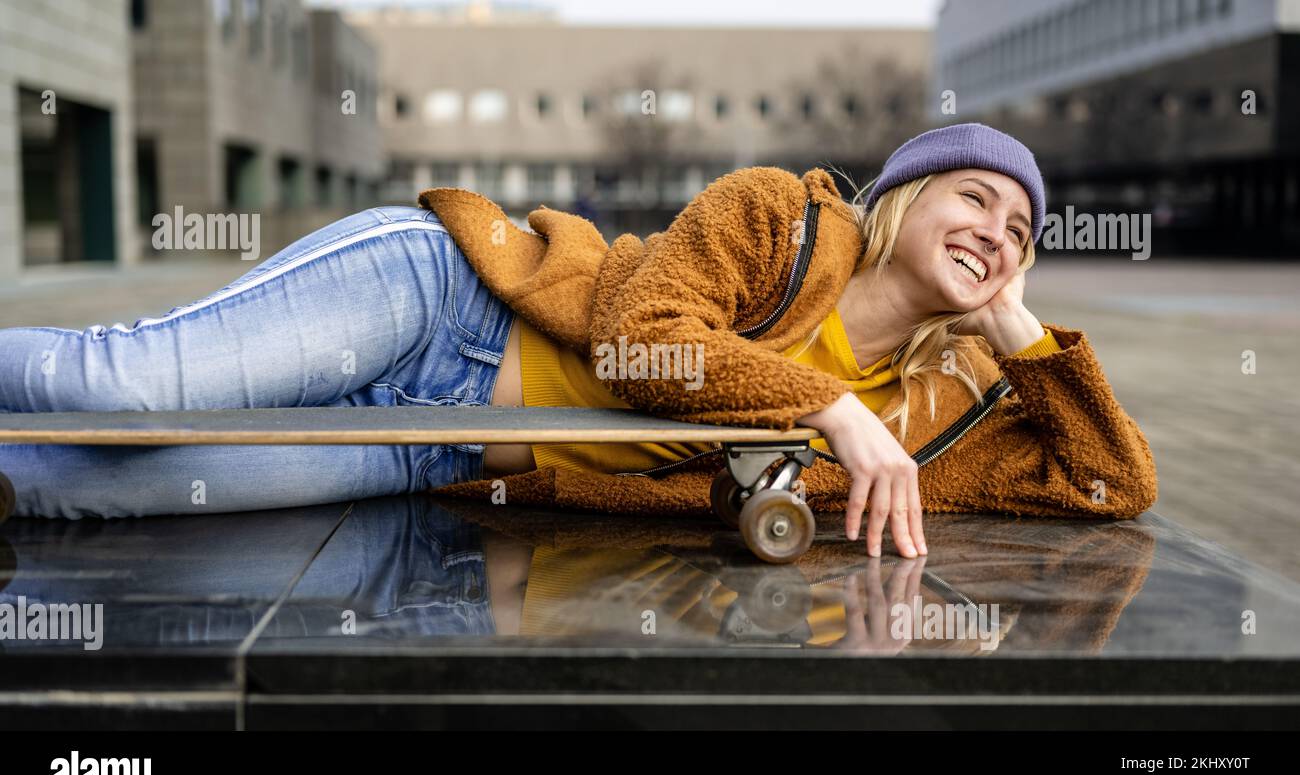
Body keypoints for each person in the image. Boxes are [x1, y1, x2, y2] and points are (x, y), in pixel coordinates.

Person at [0, 123, 1158, 559]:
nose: (995, 231)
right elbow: (642, 334)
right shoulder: (780, 219)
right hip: (445, 300)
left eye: (1019, 229)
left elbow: (1113, 482)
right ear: (907, 199)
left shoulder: (934, 409)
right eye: (974, 200)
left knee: (98, 491)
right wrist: (820, 405)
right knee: (126, 379)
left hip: (440, 443)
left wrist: (1018, 331)